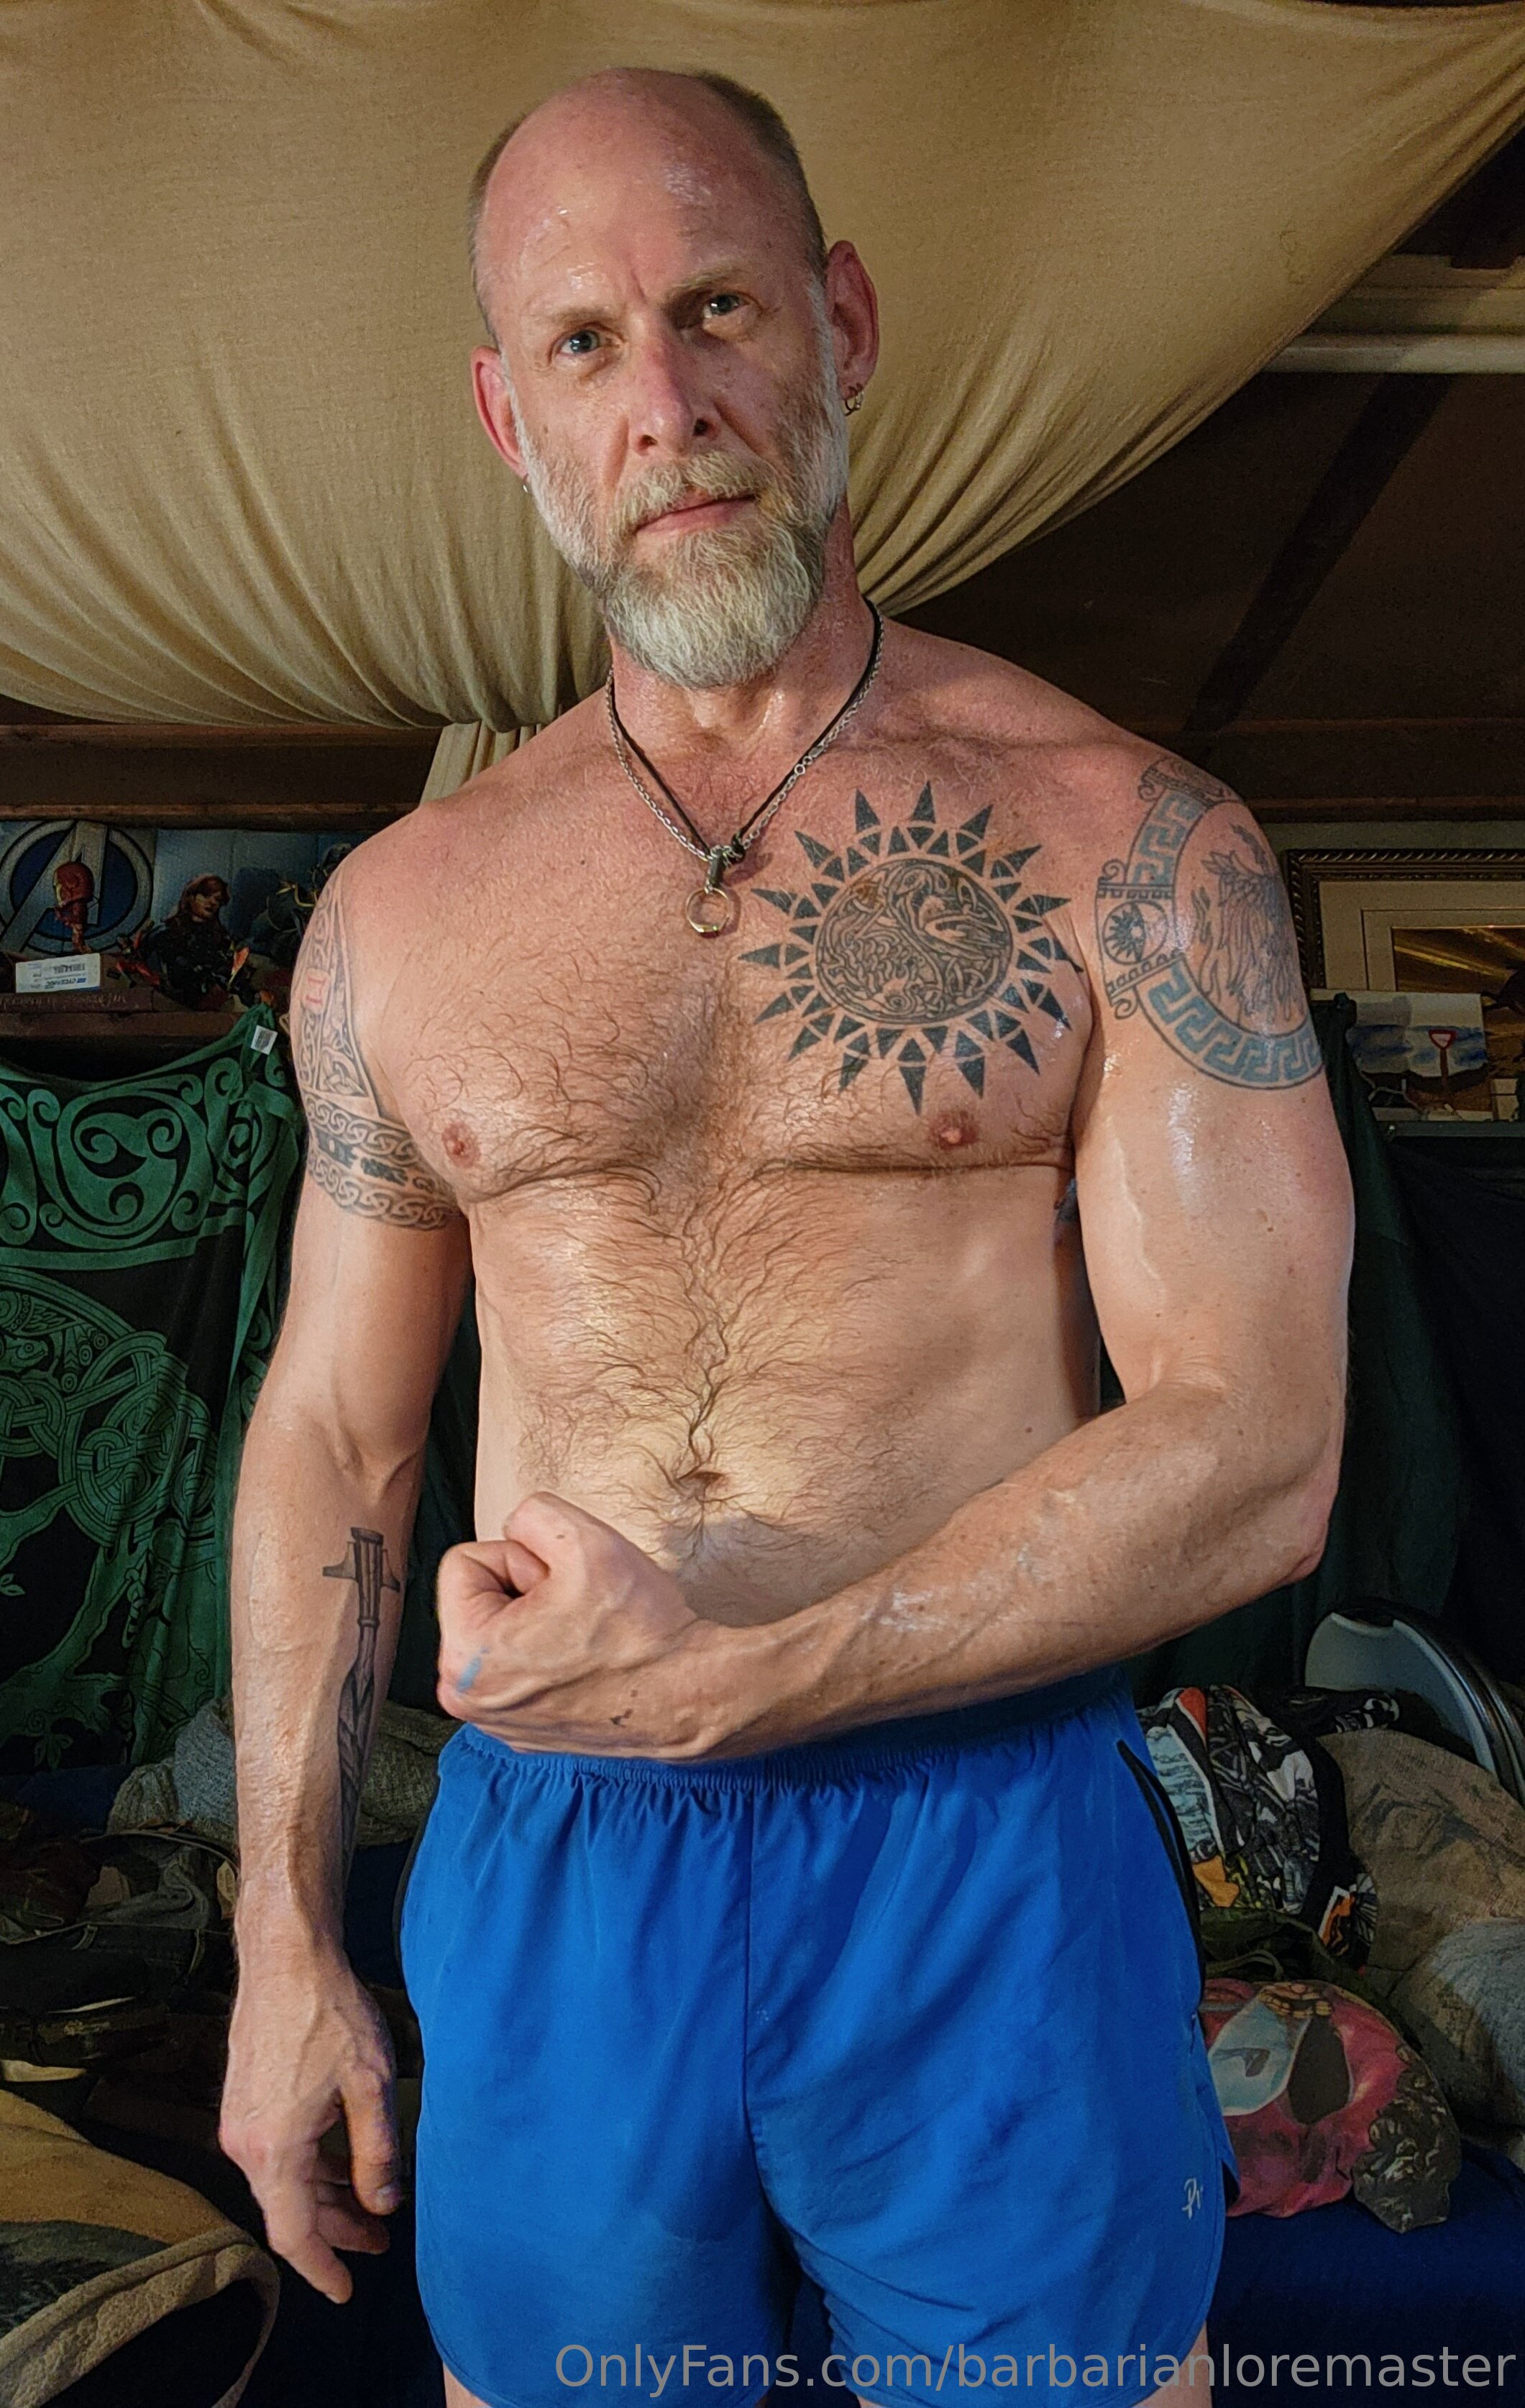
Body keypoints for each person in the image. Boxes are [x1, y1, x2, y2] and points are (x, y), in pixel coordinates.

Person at [218, 65, 1352, 2408]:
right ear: (509, 416)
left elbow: (1257, 1444)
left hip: (983, 1840)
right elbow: (334, 1436)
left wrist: (748, 1680)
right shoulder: (404, 916)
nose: (666, 401)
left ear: (839, 322)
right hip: (562, 1868)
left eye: (717, 307)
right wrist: (279, 1939)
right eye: (582, 343)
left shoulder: (1127, 844)